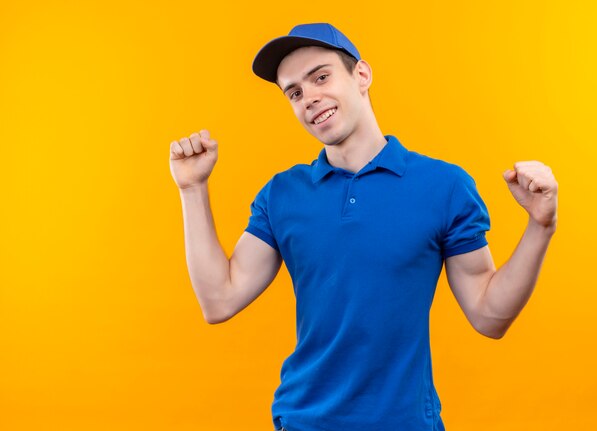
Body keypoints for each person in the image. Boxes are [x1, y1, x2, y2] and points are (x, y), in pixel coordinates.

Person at [169, 23, 558, 431]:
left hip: (406, 422)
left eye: (321, 77)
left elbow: (489, 316)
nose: (310, 99)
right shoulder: (282, 194)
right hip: (304, 421)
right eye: (295, 92)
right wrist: (192, 188)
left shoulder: (444, 186)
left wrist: (540, 225)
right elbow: (219, 301)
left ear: (361, 76)